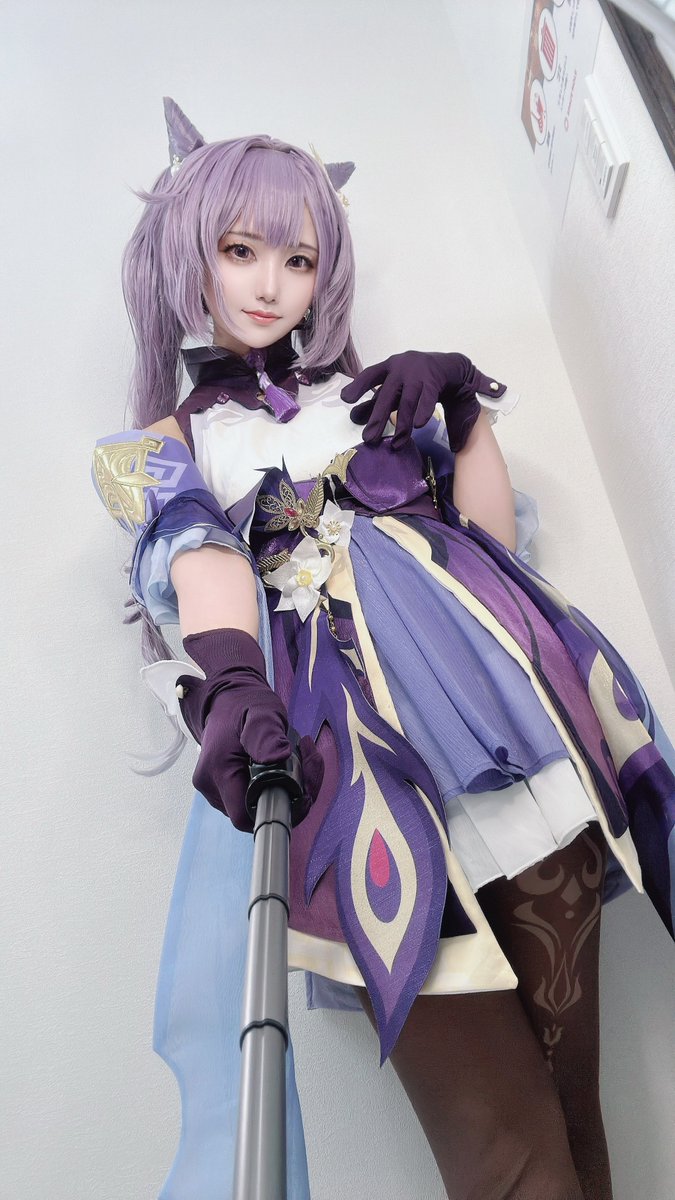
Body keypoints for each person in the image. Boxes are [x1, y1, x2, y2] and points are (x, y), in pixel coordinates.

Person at [93, 99, 675, 1200]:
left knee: (574, 1123)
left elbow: (489, 555)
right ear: (186, 253)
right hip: (356, 791)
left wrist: (465, 409)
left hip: (513, 745)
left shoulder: (367, 398)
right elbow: (200, 558)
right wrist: (232, 679)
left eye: (298, 258)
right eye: (240, 249)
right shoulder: (152, 449)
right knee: (508, 1160)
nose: (270, 284)